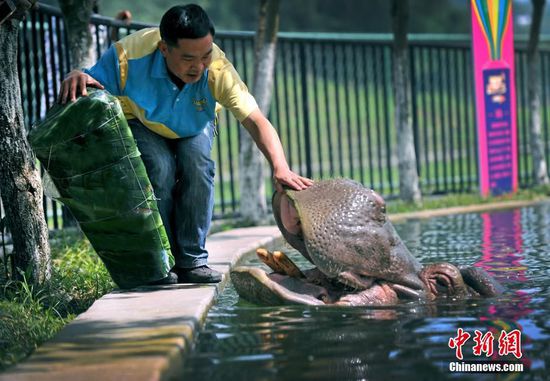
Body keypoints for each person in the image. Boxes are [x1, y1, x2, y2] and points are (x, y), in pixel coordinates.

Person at [58, 4, 312, 285]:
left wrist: (280, 167)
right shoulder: (128, 55)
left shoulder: (217, 68)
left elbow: (255, 120)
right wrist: (77, 74)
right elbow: (90, 78)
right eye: (189, 58)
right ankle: (161, 262)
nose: (199, 66)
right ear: (164, 49)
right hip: (142, 121)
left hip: (195, 123)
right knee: (160, 167)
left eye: (206, 55)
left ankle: (192, 261)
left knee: (197, 164)